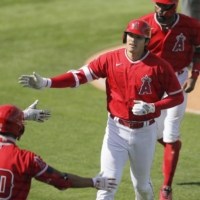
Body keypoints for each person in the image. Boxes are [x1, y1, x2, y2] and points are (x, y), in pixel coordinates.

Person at [18, 19, 184, 200]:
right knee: (106, 185)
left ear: (146, 41)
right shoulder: (110, 59)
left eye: (138, 37)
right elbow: (79, 76)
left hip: (145, 132)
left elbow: (177, 96)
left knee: (141, 186)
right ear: (124, 36)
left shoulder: (159, 66)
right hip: (116, 131)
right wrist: (46, 83)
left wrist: (153, 106)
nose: (132, 40)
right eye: (130, 35)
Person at [139, 0, 200, 199]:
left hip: (179, 78)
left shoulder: (190, 25)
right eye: (157, 4)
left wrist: (194, 76)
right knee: (154, 131)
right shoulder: (144, 24)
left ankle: (166, 187)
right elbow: (132, 54)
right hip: (152, 80)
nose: (159, 8)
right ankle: (172, 148)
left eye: (164, 5)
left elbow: (199, 50)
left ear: (173, 7)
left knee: (171, 131)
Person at [0, 103, 117, 200]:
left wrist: (22, 115)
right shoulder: (27, 159)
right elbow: (62, 181)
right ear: (19, 128)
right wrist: (94, 182)